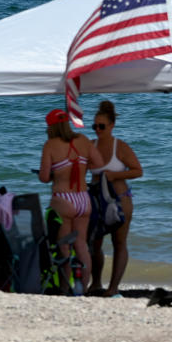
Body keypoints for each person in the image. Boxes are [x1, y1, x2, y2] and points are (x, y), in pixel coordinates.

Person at [38, 109, 104, 294]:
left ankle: (66, 287)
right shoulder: (83, 140)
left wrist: (56, 172)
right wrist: (82, 167)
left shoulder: (50, 145)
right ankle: (82, 288)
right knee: (81, 244)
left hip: (64, 199)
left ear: (51, 126)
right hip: (83, 198)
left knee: (64, 246)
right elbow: (99, 165)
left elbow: (44, 177)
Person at [88, 100, 143, 297]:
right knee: (94, 243)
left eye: (101, 126)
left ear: (112, 126)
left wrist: (114, 175)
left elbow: (138, 171)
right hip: (96, 200)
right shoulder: (90, 145)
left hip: (121, 199)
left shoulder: (119, 146)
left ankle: (113, 287)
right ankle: (95, 283)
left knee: (119, 242)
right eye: (94, 126)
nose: (97, 129)